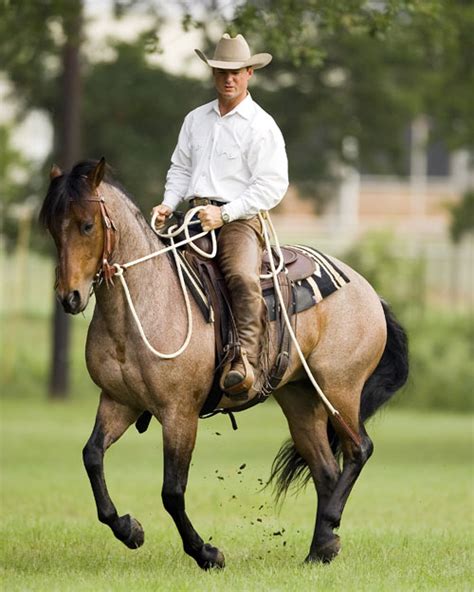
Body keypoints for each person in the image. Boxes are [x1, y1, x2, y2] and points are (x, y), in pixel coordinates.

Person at [152, 33, 289, 395]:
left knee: (242, 277)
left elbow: (272, 185)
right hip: (193, 216)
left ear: (249, 74)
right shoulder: (195, 120)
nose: (229, 79)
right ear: (213, 74)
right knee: (152, 271)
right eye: (221, 72)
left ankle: (245, 359)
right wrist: (168, 202)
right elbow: (180, 169)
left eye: (237, 72)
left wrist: (225, 215)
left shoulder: (261, 125)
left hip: (240, 221)